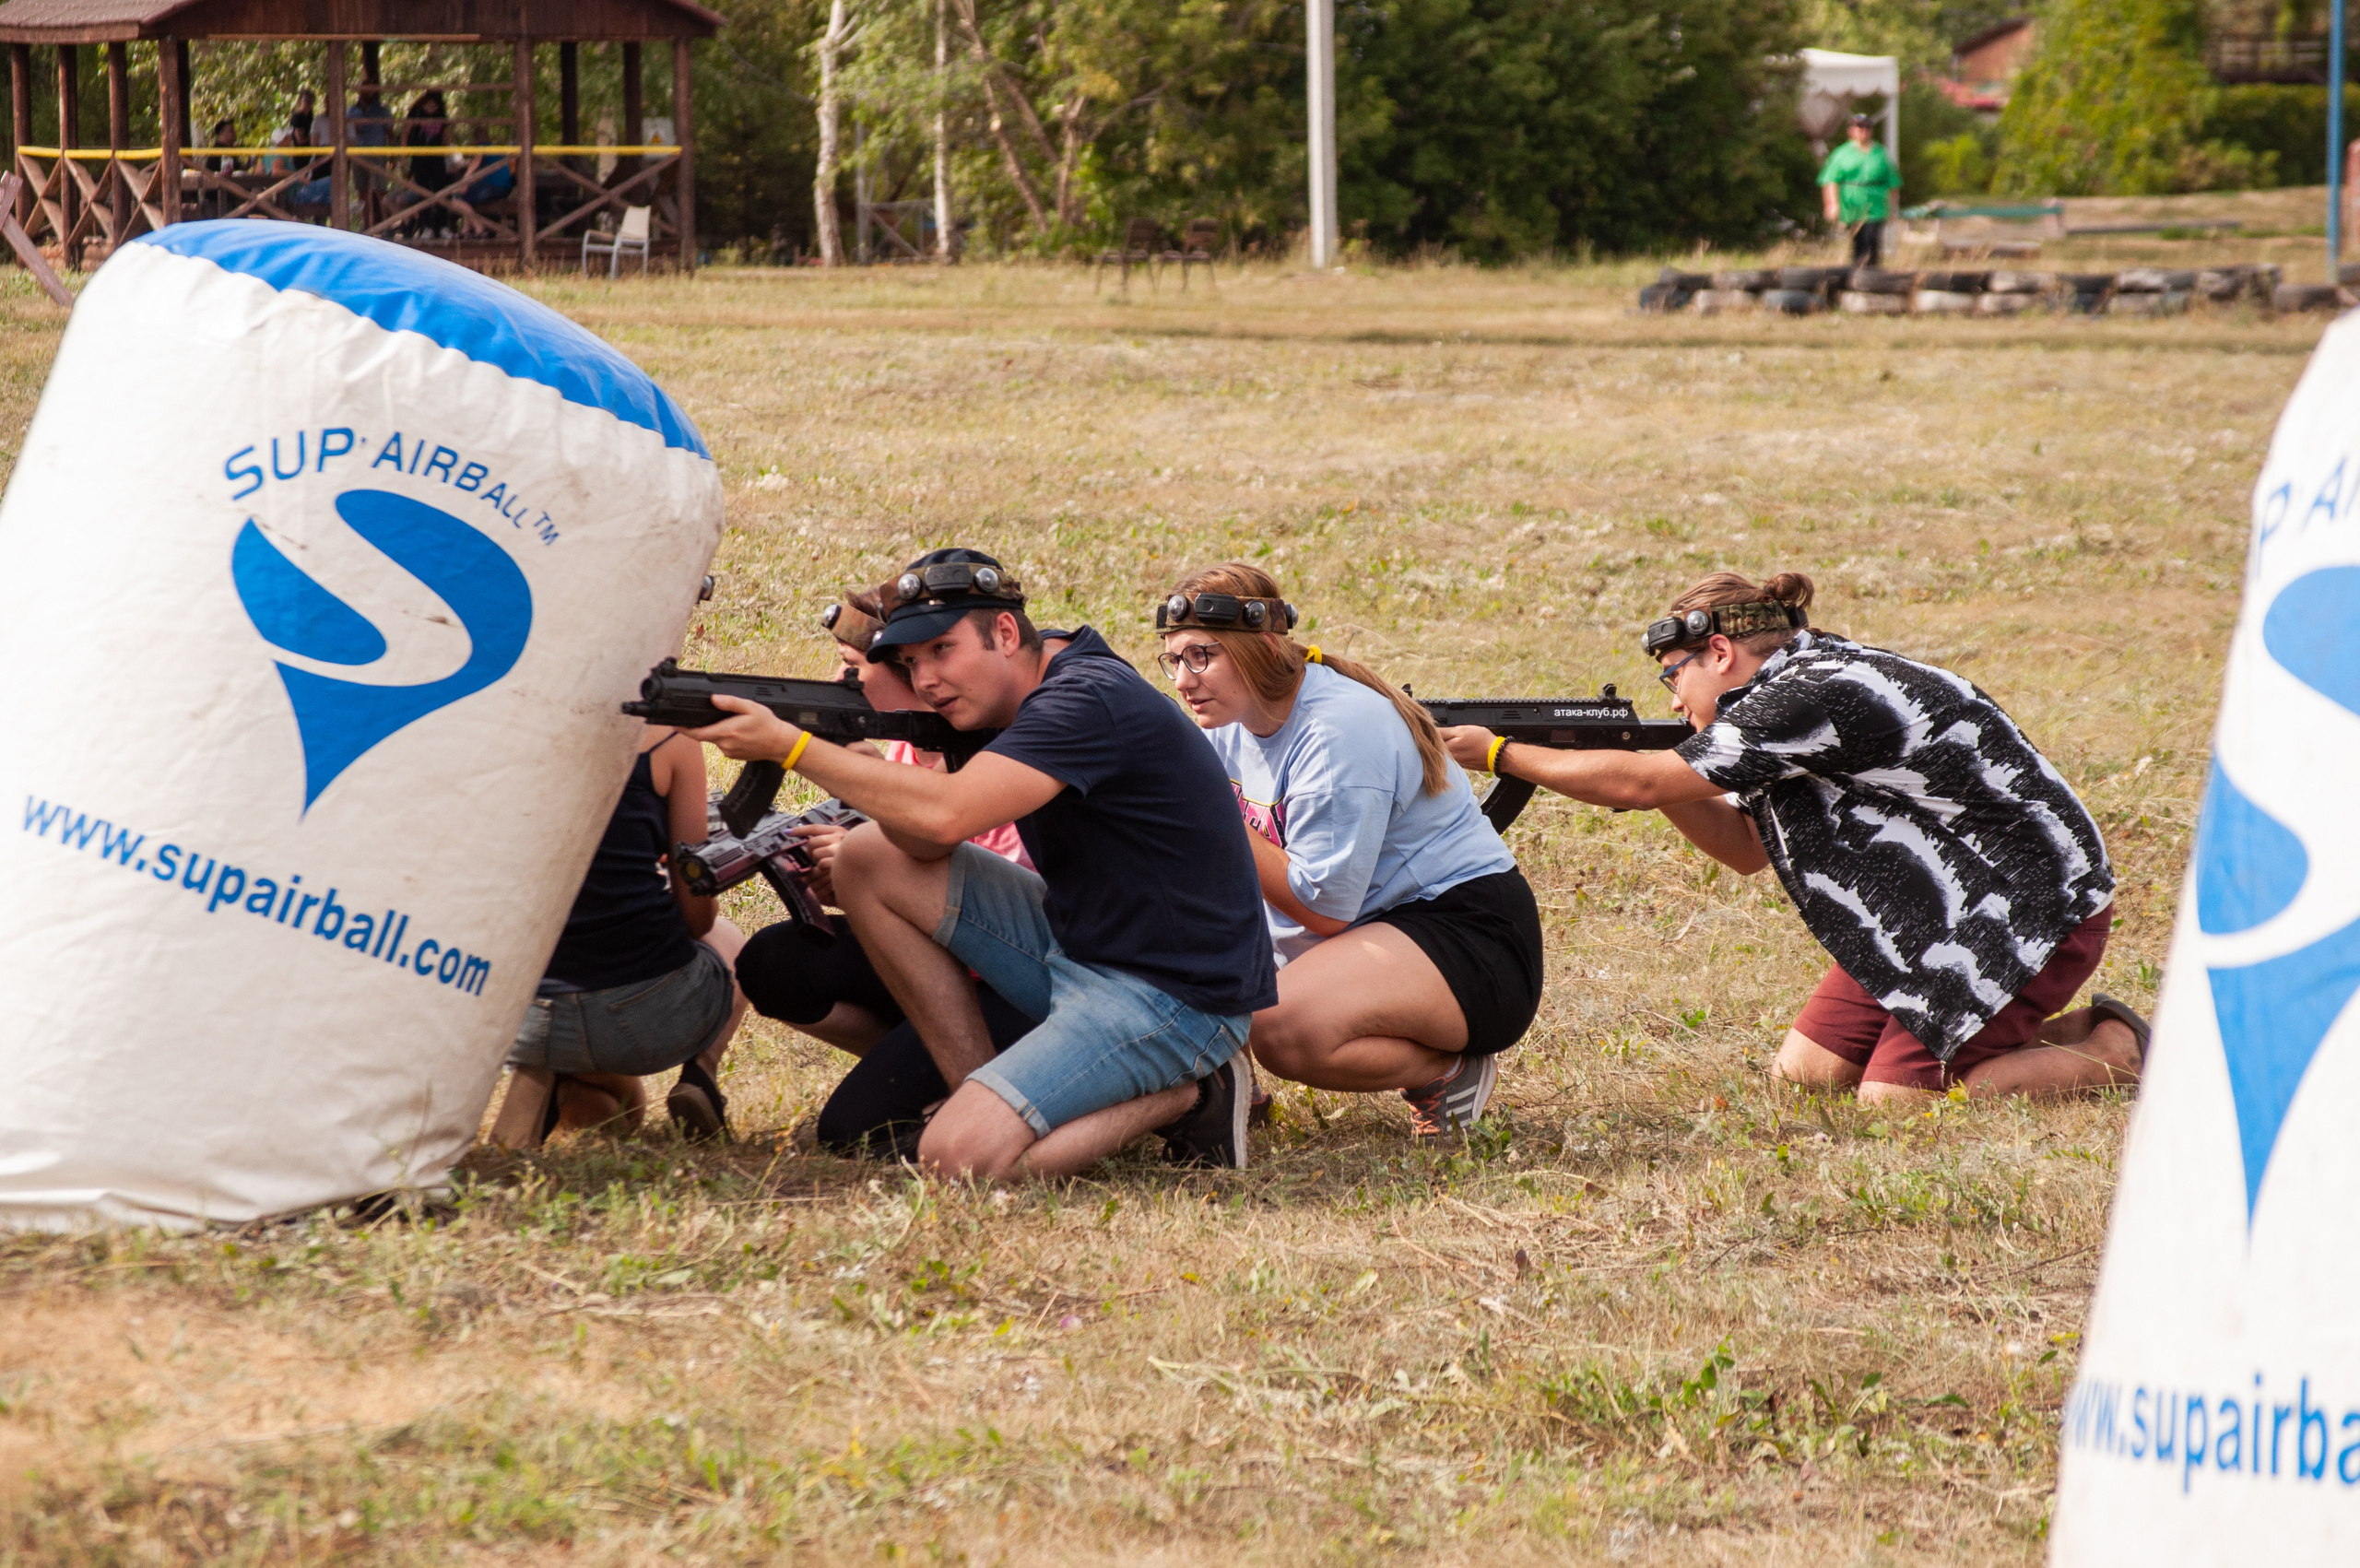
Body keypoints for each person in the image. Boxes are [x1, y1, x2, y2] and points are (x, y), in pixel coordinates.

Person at [1437, 572, 2146, 1106]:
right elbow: (1745, 848)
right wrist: (1655, 773)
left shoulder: (1804, 694)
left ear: (1718, 651)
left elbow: (1641, 783)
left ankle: (2117, 1051)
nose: (1669, 697)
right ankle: (2033, 1031)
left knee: (1895, 1103)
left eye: (1671, 674)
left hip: (2029, 906)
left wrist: (1501, 752)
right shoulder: (1774, 698)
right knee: (1804, 1079)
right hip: (1922, 915)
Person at [689, 548, 1278, 1178]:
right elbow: (919, 846)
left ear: (1003, 632)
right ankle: (976, 1088)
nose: (928, 680)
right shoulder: (1011, 687)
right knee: (866, 857)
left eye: (942, 650)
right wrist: (856, 748)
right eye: (913, 663)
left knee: (954, 1160)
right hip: (1081, 945)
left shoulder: (1084, 699)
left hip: (1172, 994)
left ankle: (1194, 1093)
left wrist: (794, 744)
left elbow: (945, 817)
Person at [1159, 564, 1540, 1136]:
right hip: (1372, 927)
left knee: (1283, 1030)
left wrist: (1212, 821)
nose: (1184, 681)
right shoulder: (1224, 720)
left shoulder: (1337, 731)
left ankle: (1448, 1072)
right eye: (1173, 660)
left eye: (1202, 656)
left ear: (1262, 646)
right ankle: (1225, 1081)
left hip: (1468, 937)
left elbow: (1324, 909)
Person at [730, 583, 1037, 1159]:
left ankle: (1009, 1096)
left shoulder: (997, 749)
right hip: (938, 969)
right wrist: (845, 877)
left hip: (1012, 980)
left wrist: (862, 857)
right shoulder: (899, 747)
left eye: (852, 670)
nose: (844, 684)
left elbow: (999, 894)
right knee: (774, 962)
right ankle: (941, 1067)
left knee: (856, 1130)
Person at [490, 725, 750, 1148]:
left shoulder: (498, 730)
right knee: (727, 936)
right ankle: (700, 1075)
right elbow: (698, 920)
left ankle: (544, 1074)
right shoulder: (671, 742)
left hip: (512, 1018)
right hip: (646, 1017)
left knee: (624, 1111)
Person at [1820, 113, 1901, 270]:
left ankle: (1871, 269)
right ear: (1851, 131)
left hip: (1875, 204)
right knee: (1859, 239)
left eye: (1867, 127)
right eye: (1859, 127)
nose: (1863, 131)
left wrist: (1892, 208)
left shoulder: (1880, 154)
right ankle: (1858, 269)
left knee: (1872, 237)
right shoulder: (1842, 154)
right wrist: (1831, 204)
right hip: (1852, 203)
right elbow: (1829, 180)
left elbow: (1893, 183)